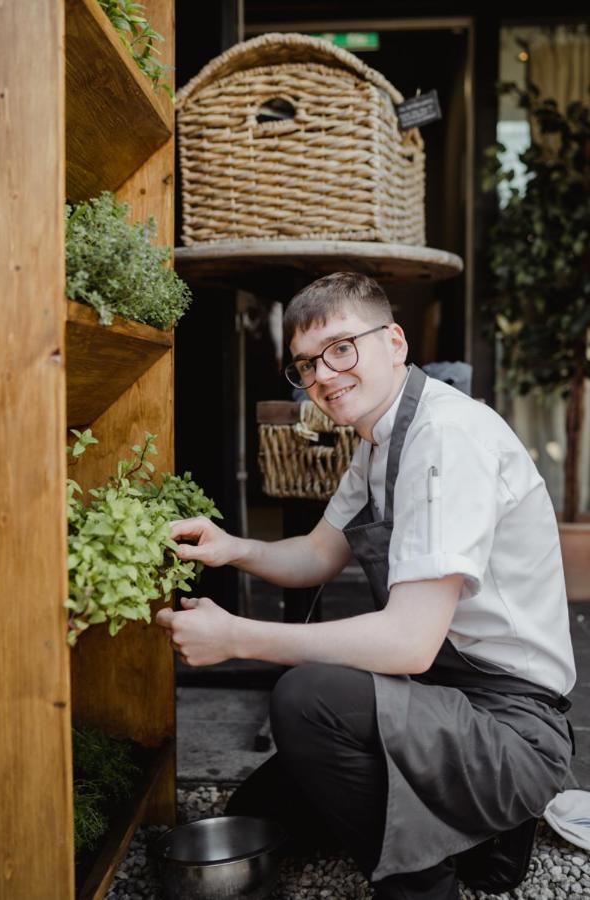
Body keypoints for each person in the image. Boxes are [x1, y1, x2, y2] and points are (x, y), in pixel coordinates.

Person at [156, 272, 576, 900]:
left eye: (341, 348)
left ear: (395, 342)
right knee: (261, 809)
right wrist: (230, 548)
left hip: (511, 731)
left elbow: (408, 643)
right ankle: (487, 841)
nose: (324, 375)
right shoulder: (379, 441)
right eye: (305, 364)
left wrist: (236, 636)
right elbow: (316, 555)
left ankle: (425, 885)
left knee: (306, 701)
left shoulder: (445, 438)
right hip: (443, 698)